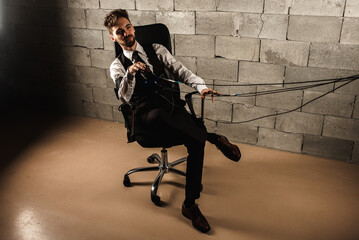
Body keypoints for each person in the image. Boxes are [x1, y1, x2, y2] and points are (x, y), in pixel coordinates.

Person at [104, 9, 241, 233]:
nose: (126, 33)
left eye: (128, 27)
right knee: (187, 126)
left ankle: (189, 205)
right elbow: (124, 97)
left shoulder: (156, 50)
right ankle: (214, 138)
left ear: (133, 27)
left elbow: (181, 71)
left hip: (171, 112)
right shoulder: (117, 66)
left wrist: (201, 86)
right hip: (146, 120)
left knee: (196, 142)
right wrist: (130, 73)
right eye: (120, 31)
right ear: (113, 37)